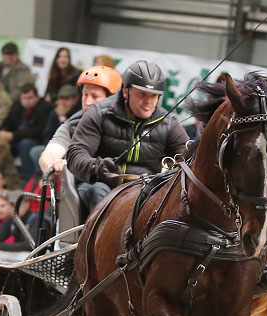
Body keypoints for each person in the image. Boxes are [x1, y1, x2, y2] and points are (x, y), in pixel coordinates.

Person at [67, 60, 188, 213]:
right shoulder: (98, 113)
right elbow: (76, 153)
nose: (148, 101)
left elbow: (188, 158)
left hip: (146, 192)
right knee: (98, 192)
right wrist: (95, 166)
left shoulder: (168, 123)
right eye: (142, 94)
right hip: (102, 186)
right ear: (126, 91)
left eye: (154, 96)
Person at [37, 65, 122, 175]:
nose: (87, 101)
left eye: (95, 96)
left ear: (113, 99)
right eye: (85, 95)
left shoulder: (127, 125)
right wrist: (52, 165)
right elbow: (49, 154)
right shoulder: (73, 124)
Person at [0, 83, 52, 179]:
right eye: (24, 98)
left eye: (30, 98)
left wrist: (14, 135)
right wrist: (3, 131)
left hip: (37, 140)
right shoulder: (17, 106)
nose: (27, 101)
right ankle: (2, 176)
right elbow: (8, 121)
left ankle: (28, 177)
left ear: (37, 97)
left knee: (25, 144)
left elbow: (38, 131)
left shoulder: (45, 108)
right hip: (18, 137)